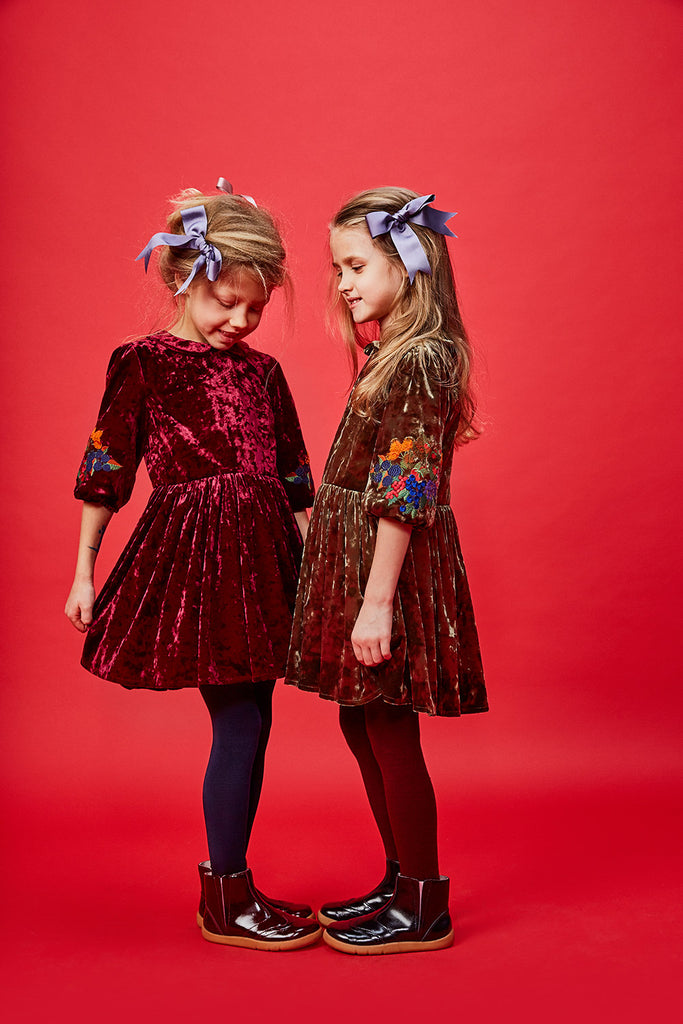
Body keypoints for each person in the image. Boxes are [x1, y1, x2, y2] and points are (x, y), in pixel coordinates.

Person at [65, 184, 321, 951]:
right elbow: (104, 468)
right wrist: (84, 570)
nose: (239, 322)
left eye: (254, 309)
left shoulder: (263, 371)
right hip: (201, 557)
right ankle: (226, 893)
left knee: (258, 719)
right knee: (239, 718)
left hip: (267, 549)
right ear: (181, 278)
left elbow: (295, 474)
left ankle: (233, 887)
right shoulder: (144, 362)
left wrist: (317, 565)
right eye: (225, 302)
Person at [286, 188, 488, 954]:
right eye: (337, 266)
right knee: (357, 715)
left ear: (409, 262)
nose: (342, 281)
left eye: (355, 264)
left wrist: (376, 604)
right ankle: (398, 876)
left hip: (386, 566)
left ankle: (423, 900)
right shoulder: (388, 350)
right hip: (356, 555)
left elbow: (405, 488)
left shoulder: (423, 358)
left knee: (387, 720)